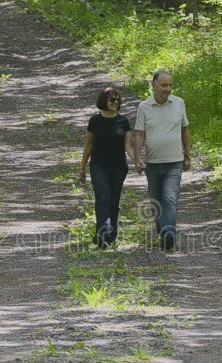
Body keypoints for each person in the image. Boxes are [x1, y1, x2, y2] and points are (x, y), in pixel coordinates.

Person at [133, 70, 191, 251]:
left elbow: (185, 130)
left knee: (170, 198)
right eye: (164, 85)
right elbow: (140, 135)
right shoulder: (144, 107)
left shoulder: (179, 103)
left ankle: (168, 233)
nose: (168, 89)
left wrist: (187, 154)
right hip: (152, 163)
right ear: (154, 85)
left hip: (174, 161)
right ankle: (163, 232)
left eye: (170, 85)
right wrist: (137, 158)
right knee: (156, 200)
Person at [80, 86, 134, 249]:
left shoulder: (123, 121)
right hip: (99, 166)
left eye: (117, 100)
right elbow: (88, 145)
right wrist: (82, 168)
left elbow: (128, 146)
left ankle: (111, 235)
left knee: (114, 201)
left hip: (118, 167)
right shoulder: (95, 121)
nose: (115, 102)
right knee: (102, 198)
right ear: (104, 100)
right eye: (112, 99)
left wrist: (138, 160)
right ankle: (102, 233)